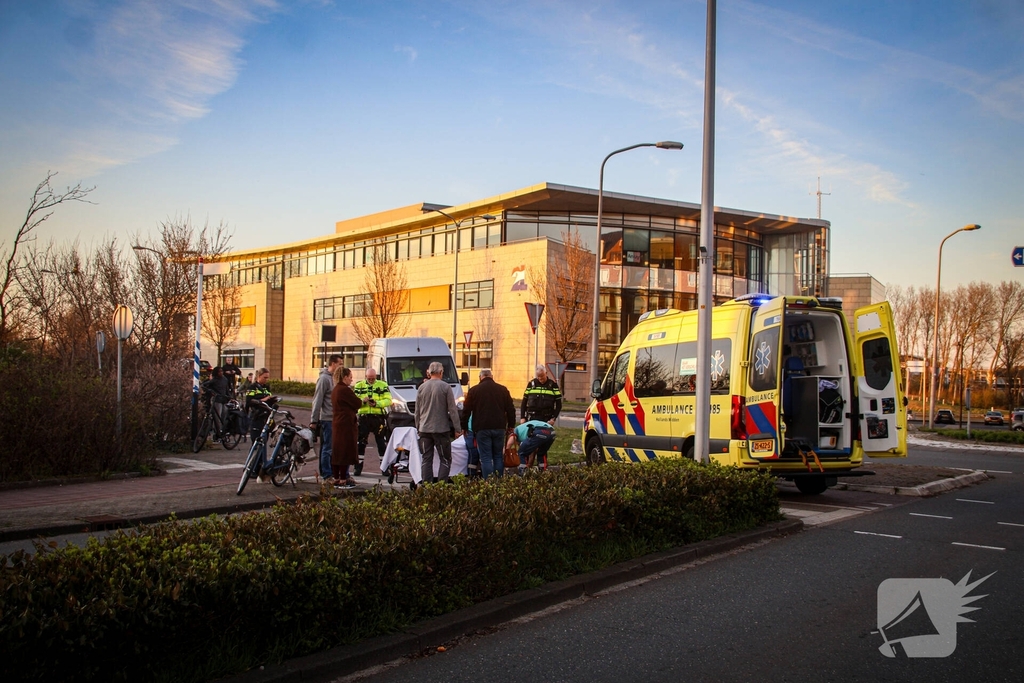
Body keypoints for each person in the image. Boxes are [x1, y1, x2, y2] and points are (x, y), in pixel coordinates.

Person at [461, 368, 516, 479]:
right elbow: (511, 409)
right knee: (498, 456)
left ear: (480, 377)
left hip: (482, 428)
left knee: (485, 457)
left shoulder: (474, 390)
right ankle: (499, 481)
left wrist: (464, 427)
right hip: (499, 427)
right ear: (492, 376)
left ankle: (489, 482)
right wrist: (511, 425)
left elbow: (466, 410)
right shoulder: (503, 390)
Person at [415, 361, 462, 484]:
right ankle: (441, 486)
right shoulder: (445, 387)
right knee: (445, 459)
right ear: (441, 372)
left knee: (426, 458)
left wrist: (418, 427)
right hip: (441, 429)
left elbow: (417, 411)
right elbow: (453, 410)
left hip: (424, 429)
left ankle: (426, 484)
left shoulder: (422, 387)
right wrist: (457, 429)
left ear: (429, 373)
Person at [353, 367, 392, 476]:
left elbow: (388, 400)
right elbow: (353, 400)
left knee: (381, 443)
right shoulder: (359, 385)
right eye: (369, 379)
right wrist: (362, 401)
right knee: (360, 443)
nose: (371, 381)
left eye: (373, 379)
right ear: (365, 377)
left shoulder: (382, 385)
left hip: (377, 418)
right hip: (363, 417)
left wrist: (377, 403)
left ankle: (385, 468)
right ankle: (358, 468)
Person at [310, 354, 342, 483]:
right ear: (333, 364)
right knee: (327, 447)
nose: (341, 366)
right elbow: (317, 400)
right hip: (327, 418)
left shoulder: (335, 379)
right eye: (340, 363)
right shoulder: (324, 379)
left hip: (336, 418)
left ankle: (331, 473)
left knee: (333, 448)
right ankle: (326, 475)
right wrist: (314, 420)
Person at [331, 366, 362, 489]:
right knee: (345, 451)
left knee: (337, 451)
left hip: (337, 423)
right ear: (344, 377)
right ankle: (343, 478)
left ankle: (337, 477)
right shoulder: (345, 390)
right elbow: (357, 403)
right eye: (350, 377)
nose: (351, 380)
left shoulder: (336, 390)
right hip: (346, 424)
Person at [202, 366, 232, 435]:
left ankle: (222, 430)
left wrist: (229, 397)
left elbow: (226, 389)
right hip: (217, 400)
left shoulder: (224, 379)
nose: (221, 373)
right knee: (217, 416)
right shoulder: (215, 380)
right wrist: (211, 391)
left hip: (224, 399)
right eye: (219, 372)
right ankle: (218, 431)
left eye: (222, 371)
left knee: (223, 415)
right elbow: (204, 385)